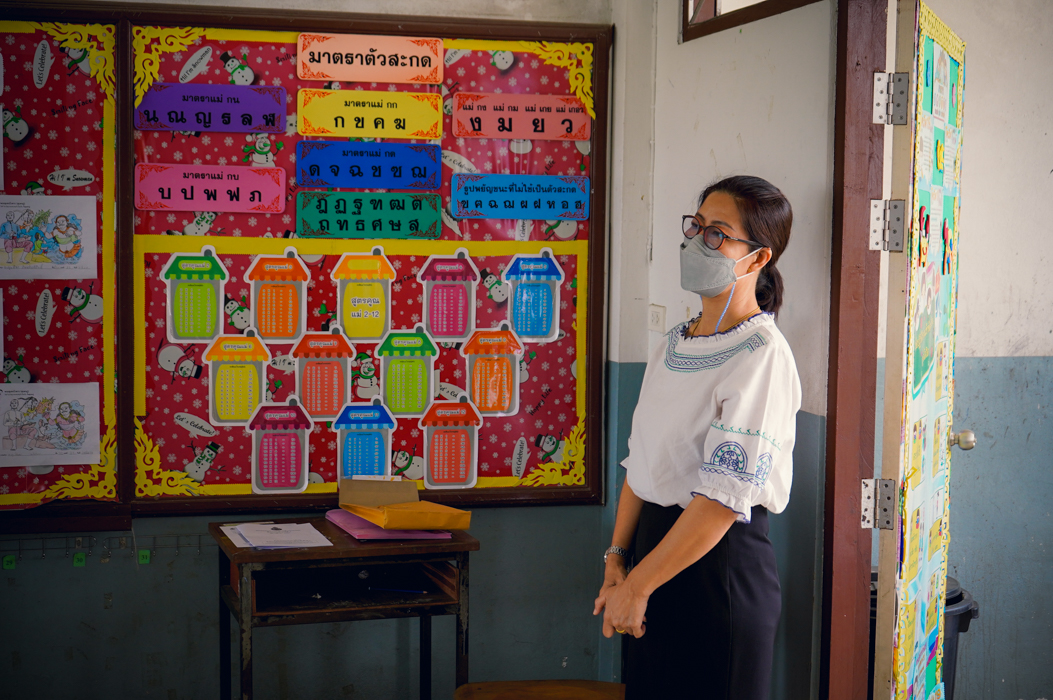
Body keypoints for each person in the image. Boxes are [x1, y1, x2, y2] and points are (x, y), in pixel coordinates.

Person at [594, 176, 802, 699]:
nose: (697, 242)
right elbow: (642, 464)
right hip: (651, 565)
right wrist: (617, 561)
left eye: (717, 234)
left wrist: (638, 585)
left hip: (717, 573)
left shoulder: (762, 355)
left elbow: (721, 501)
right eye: (697, 227)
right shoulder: (673, 344)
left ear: (758, 258)